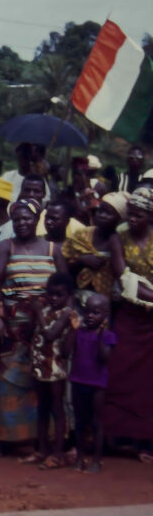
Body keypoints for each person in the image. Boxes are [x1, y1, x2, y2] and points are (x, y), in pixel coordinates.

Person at [0, 198, 67, 453]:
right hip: (13, 324)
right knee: (9, 381)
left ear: (36, 220)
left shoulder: (52, 249)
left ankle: (36, 440)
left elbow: (66, 286)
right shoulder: (4, 247)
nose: (22, 223)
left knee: (41, 382)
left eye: (27, 218)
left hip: (45, 328)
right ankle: (6, 438)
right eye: (17, 219)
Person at [106, 187, 153, 461]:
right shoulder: (118, 237)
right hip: (127, 316)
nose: (133, 219)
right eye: (130, 214)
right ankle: (120, 436)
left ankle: (147, 440)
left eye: (139, 215)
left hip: (151, 321)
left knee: (149, 381)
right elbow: (124, 278)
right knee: (121, 373)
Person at [26, 273, 78, 469]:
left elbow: (50, 334)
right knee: (42, 408)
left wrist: (38, 312)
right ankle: (42, 449)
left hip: (55, 368)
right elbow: (33, 331)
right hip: (39, 365)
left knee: (57, 408)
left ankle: (57, 453)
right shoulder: (46, 308)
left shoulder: (67, 313)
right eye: (51, 294)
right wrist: (35, 312)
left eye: (59, 295)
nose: (54, 298)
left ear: (68, 296)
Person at [70, 293, 114, 473]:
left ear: (105, 315)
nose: (89, 316)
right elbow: (67, 351)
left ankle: (96, 460)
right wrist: (73, 330)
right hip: (77, 380)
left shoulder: (108, 335)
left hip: (97, 384)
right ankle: (80, 458)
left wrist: (101, 333)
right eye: (87, 311)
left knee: (96, 422)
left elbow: (105, 357)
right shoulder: (79, 331)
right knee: (80, 421)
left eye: (95, 313)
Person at [62, 193, 127, 299]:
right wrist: (81, 260)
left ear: (119, 218)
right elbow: (64, 265)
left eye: (108, 213)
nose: (101, 215)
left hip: (108, 299)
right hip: (78, 294)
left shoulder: (122, 242)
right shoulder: (81, 235)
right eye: (100, 211)